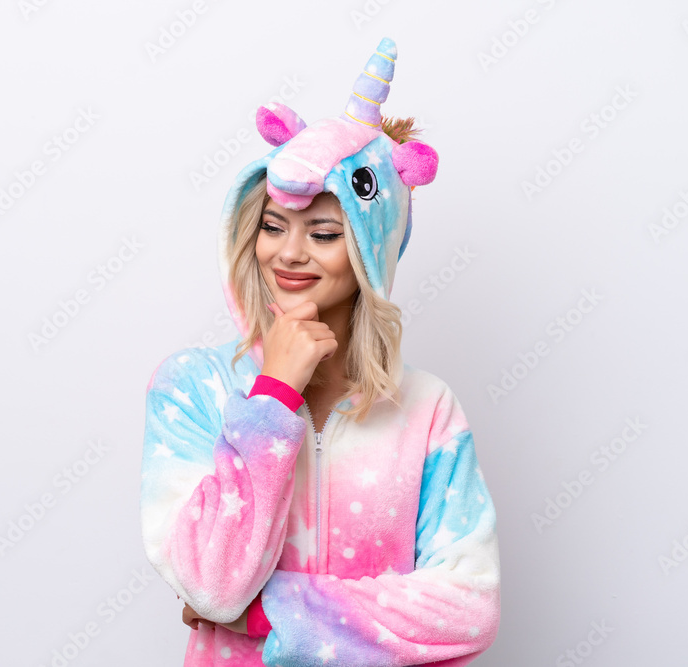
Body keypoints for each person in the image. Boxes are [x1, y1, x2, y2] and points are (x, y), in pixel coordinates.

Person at [140, 37, 500, 666]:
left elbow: (467, 610)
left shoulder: (426, 409)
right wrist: (273, 396)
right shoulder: (192, 387)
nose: (289, 253)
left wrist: (269, 613)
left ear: (369, 254)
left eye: (324, 233)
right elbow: (211, 584)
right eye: (272, 226)